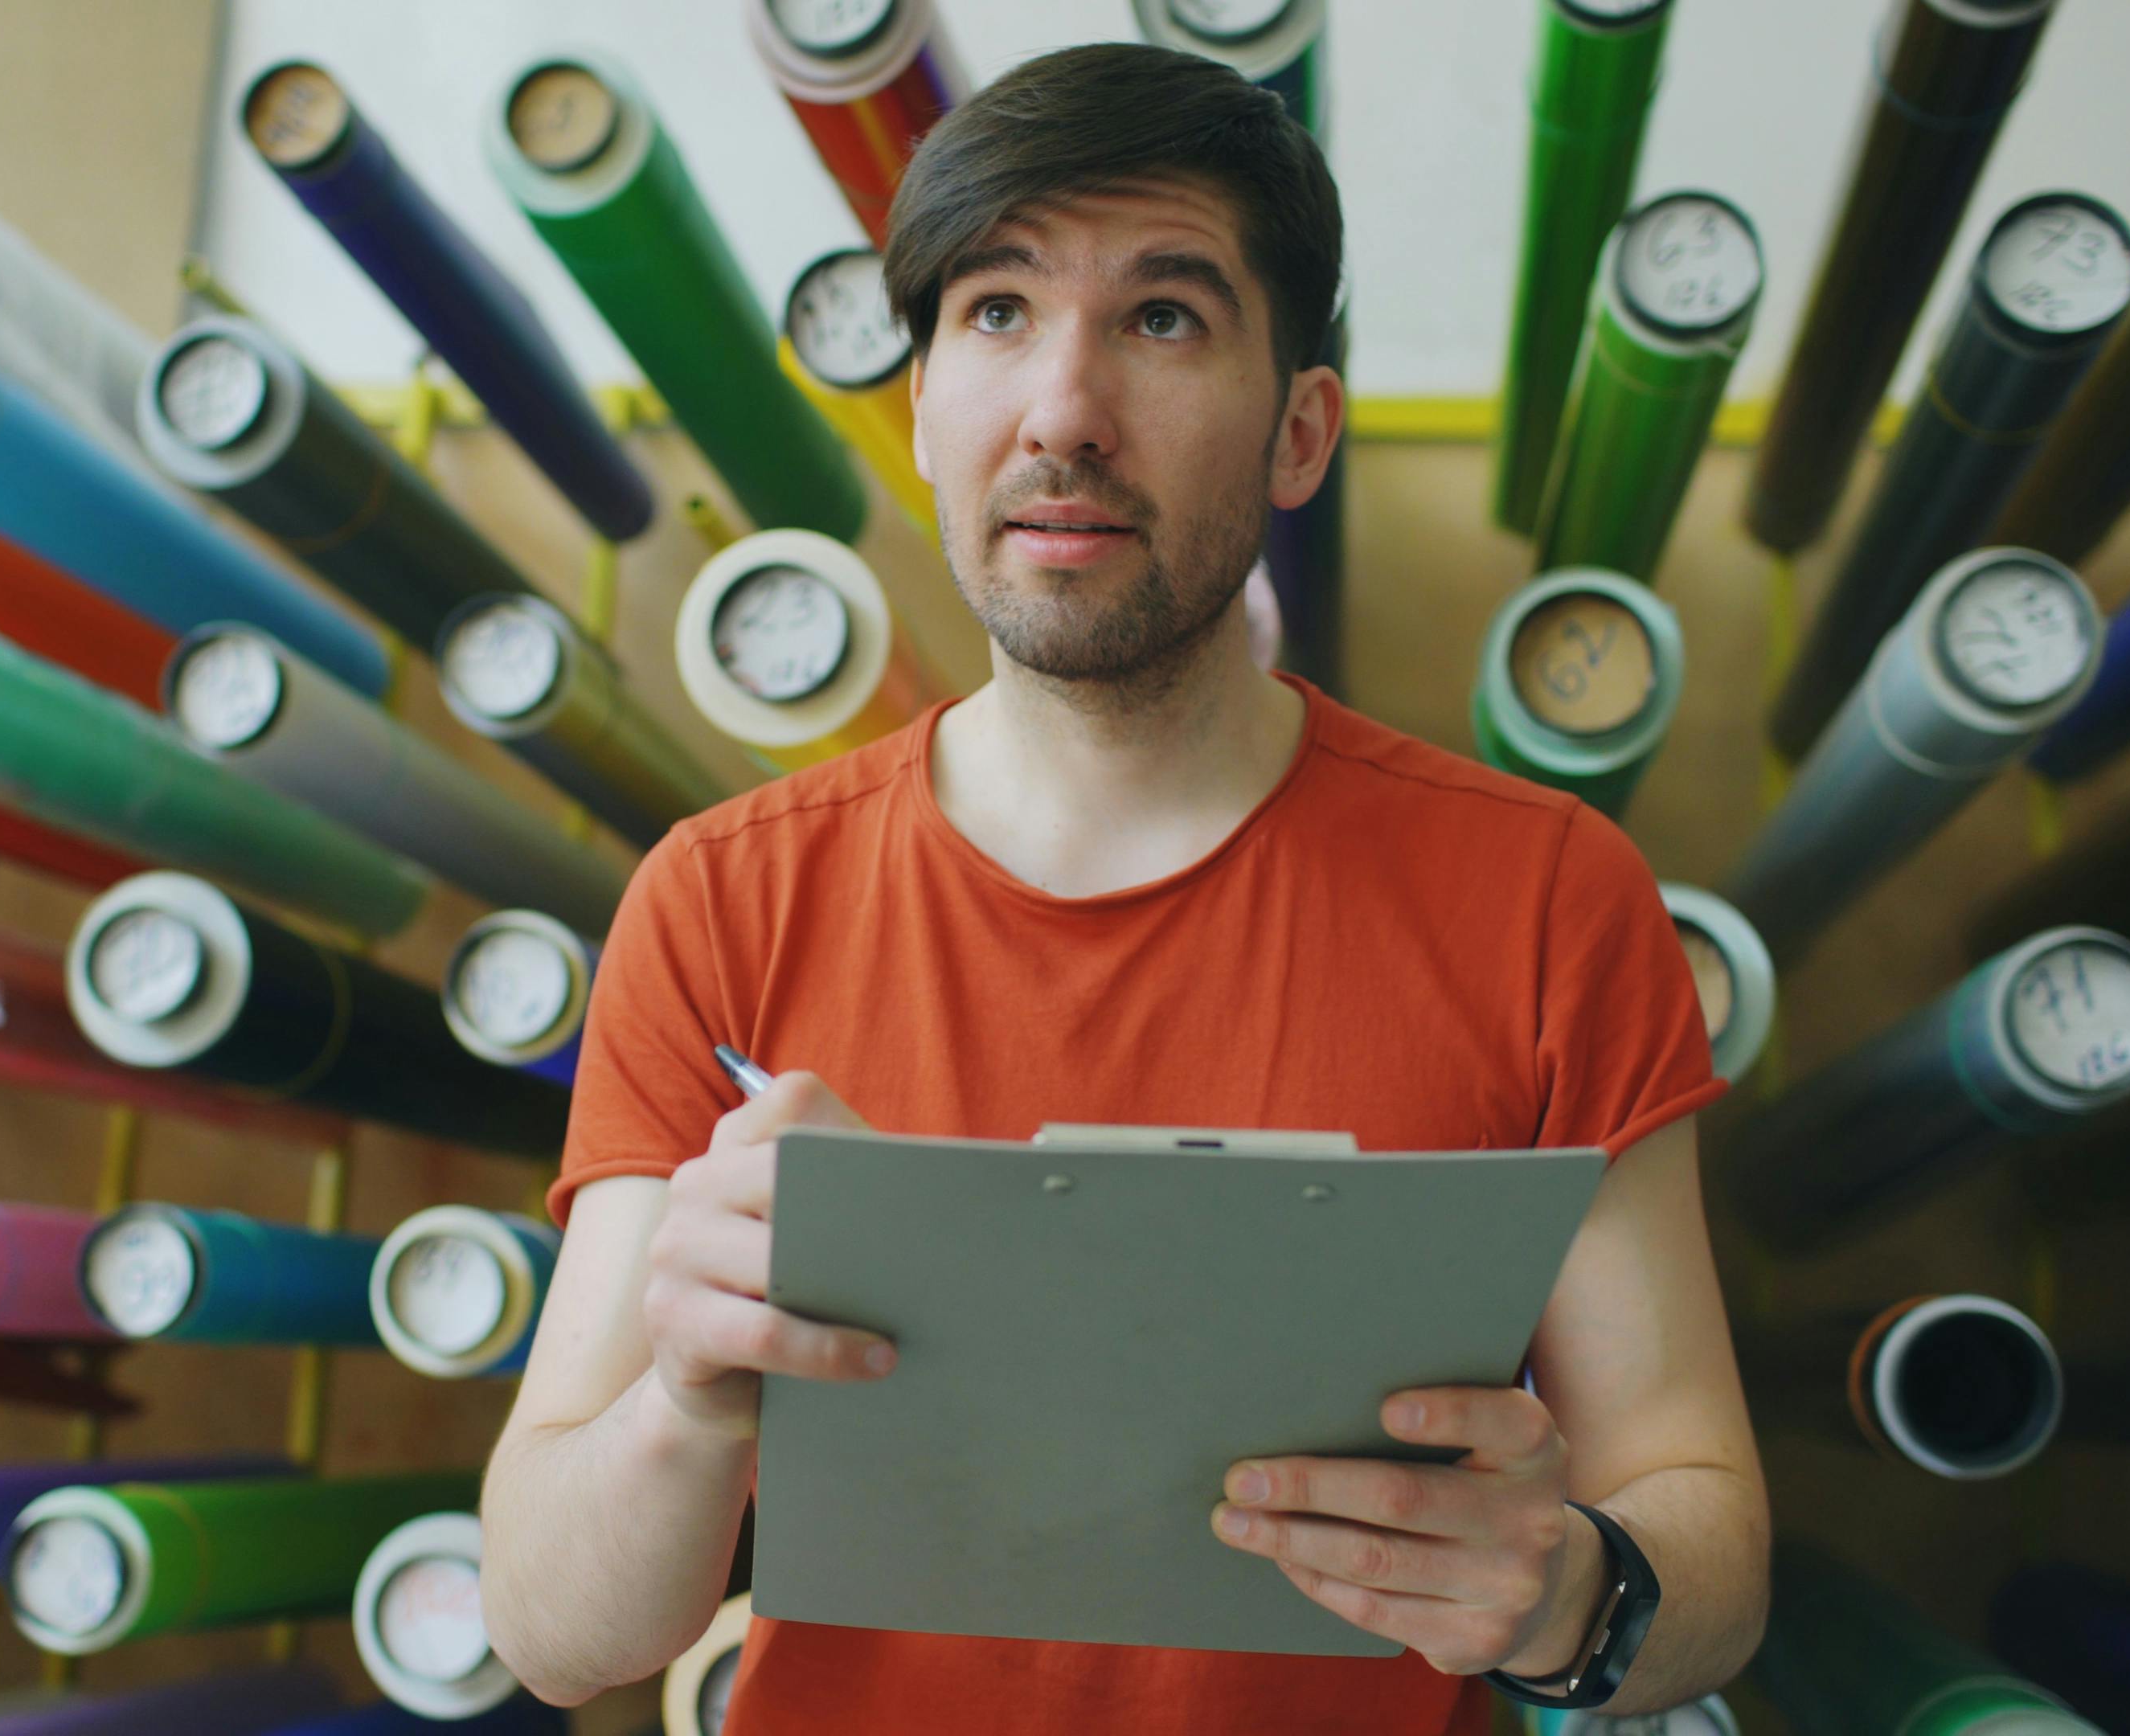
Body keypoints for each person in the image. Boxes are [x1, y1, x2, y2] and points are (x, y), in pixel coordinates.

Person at [480, 40, 1768, 1734]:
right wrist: (689, 1407)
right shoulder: (722, 904)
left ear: (1302, 430)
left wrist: (1569, 1590)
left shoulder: (1549, 901)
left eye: (1165, 318)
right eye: (997, 315)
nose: (1063, 411)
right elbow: (556, 1632)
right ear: (925, 404)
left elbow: (1710, 1533)